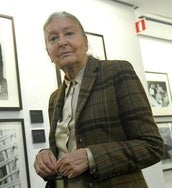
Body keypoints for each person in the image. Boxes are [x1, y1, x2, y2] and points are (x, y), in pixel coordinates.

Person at [34, 11, 164, 188]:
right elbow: (68, 147)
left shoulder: (117, 71)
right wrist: (46, 155)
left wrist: (91, 157)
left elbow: (152, 146)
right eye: (53, 38)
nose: (62, 42)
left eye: (69, 33)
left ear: (86, 42)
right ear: (48, 53)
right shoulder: (55, 98)